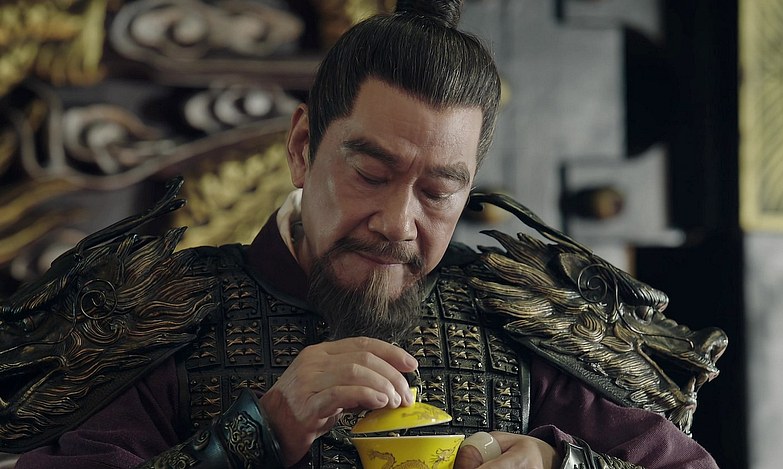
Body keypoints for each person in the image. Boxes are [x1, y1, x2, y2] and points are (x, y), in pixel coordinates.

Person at [0, 1, 725, 468]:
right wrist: (261, 430)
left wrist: (552, 460)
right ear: (303, 146)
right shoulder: (167, 313)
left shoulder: (517, 318)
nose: (398, 222)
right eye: (371, 173)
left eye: (438, 191)